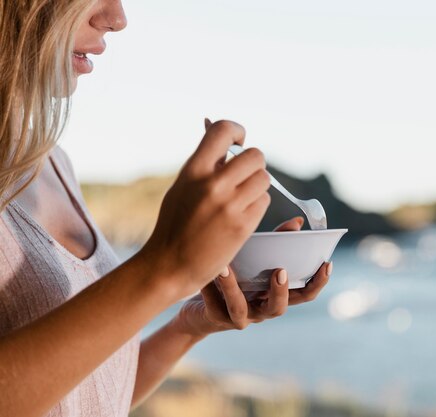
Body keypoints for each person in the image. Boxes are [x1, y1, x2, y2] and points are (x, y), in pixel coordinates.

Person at [0, 0, 333, 416]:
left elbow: (84, 396)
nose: (117, 19)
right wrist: (163, 270)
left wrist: (190, 327)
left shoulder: (52, 162)